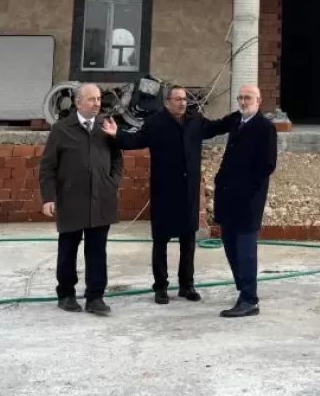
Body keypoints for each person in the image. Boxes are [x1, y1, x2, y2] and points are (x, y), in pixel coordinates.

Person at [102, 84, 232, 304]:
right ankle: (160, 287)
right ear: (167, 102)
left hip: (188, 192)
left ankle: (187, 285)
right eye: (178, 99)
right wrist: (117, 134)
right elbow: (135, 141)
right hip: (164, 192)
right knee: (161, 242)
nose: (182, 103)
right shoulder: (156, 123)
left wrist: (238, 117)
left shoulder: (195, 120)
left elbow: (216, 127)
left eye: (184, 99)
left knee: (188, 241)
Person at [38, 82, 123, 316]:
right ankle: (66, 294)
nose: (97, 104)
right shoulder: (61, 129)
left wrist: (112, 182)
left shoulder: (106, 126)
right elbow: (47, 167)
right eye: (91, 99)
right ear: (78, 102)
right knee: (68, 249)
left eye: (99, 99)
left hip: (101, 198)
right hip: (71, 199)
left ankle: (95, 297)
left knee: (97, 250)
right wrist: (48, 198)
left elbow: (117, 157)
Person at [213, 83, 278, 318]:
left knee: (245, 250)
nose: (243, 101)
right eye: (240, 97)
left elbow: (267, 165)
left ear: (258, 101)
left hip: (248, 200)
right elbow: (212, 127)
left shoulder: (265, 128)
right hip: (228, 196)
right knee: (229, 244)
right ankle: (243, 289)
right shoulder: (236, 121)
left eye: (248, 98)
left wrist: (249, 191)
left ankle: (250, 299)